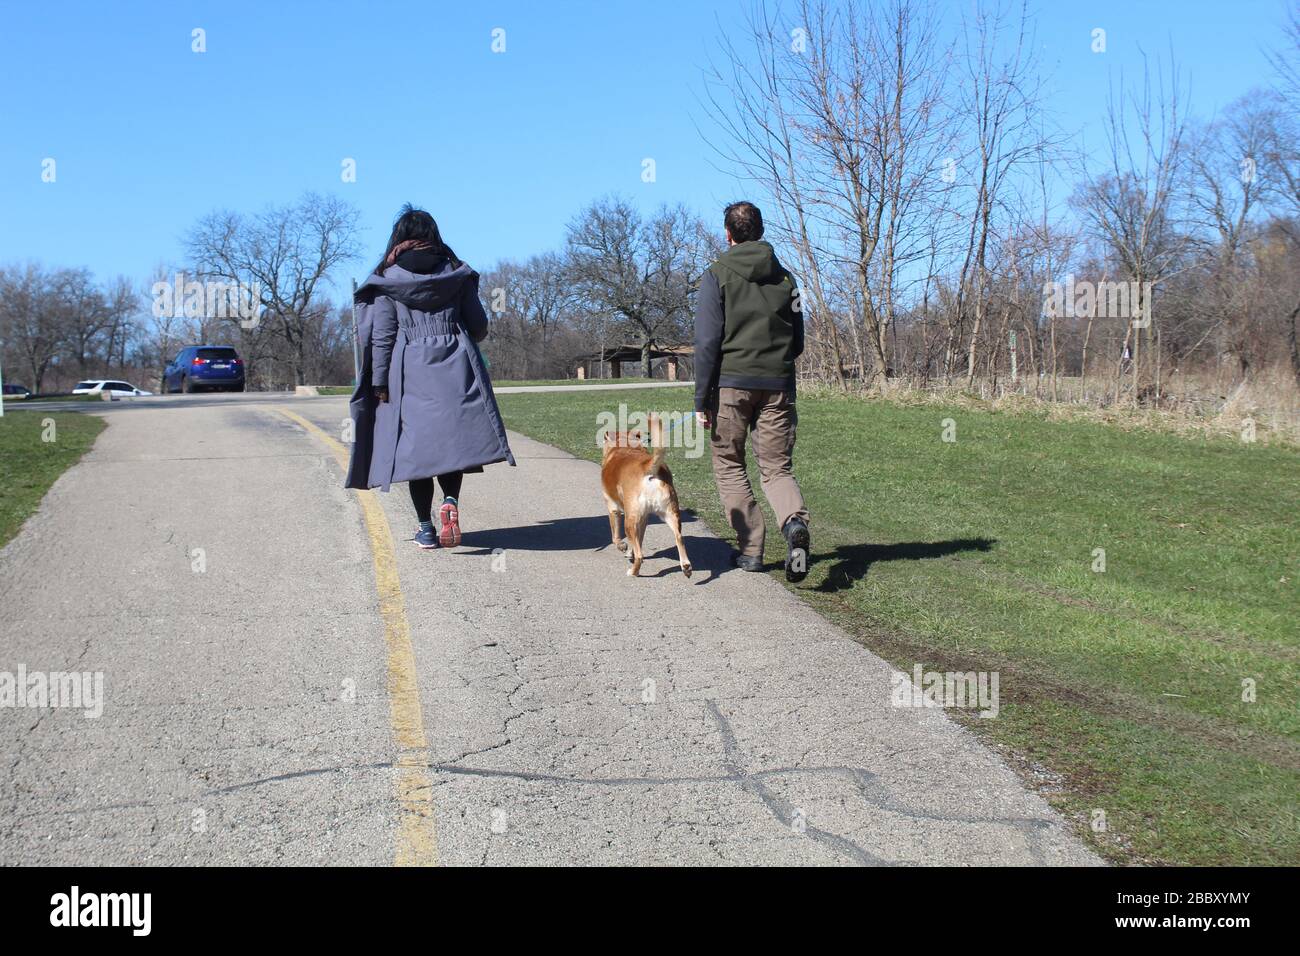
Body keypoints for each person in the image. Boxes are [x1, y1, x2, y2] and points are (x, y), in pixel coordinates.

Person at [346, 204, 515, 549]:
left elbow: (383, 336)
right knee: (451, 446)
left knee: (417, 454)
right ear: (433, 236)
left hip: (410, 371)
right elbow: (479, 327)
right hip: (457, 364)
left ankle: (425, 529)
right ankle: (450, 502)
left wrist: (379, 382)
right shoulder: (455, 273)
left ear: (399, 239)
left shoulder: (387, 280)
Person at [694, 201, 810, 582]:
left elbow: (708, 341)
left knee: (729, 463)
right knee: (777, 467)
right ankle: (793, 523)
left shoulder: (716, 275)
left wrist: (700, 399)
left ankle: (751, 549)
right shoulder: (787, 278)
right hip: (777, 384)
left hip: (731, 384)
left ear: (728, 234)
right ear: (760, 231)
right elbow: (797, 340)